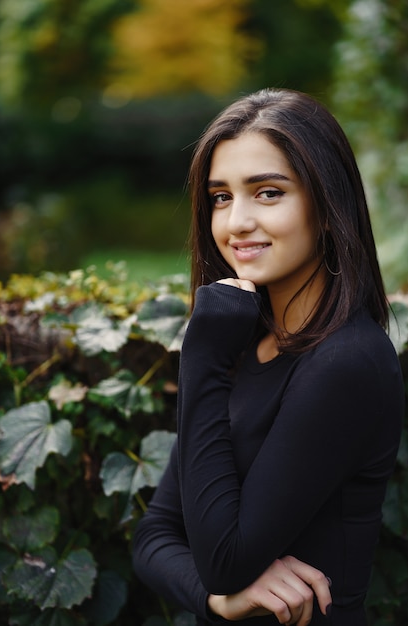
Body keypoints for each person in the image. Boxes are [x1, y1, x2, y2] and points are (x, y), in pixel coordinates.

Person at [132, 88, 404, 625]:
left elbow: (225, 559)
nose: (236, 223)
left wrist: (201, 355)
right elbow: (154, 535)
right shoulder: (241, 340)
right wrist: (218, 601)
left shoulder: (346, 362)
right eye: (220, 197)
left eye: (268, 193)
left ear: (328, 208)